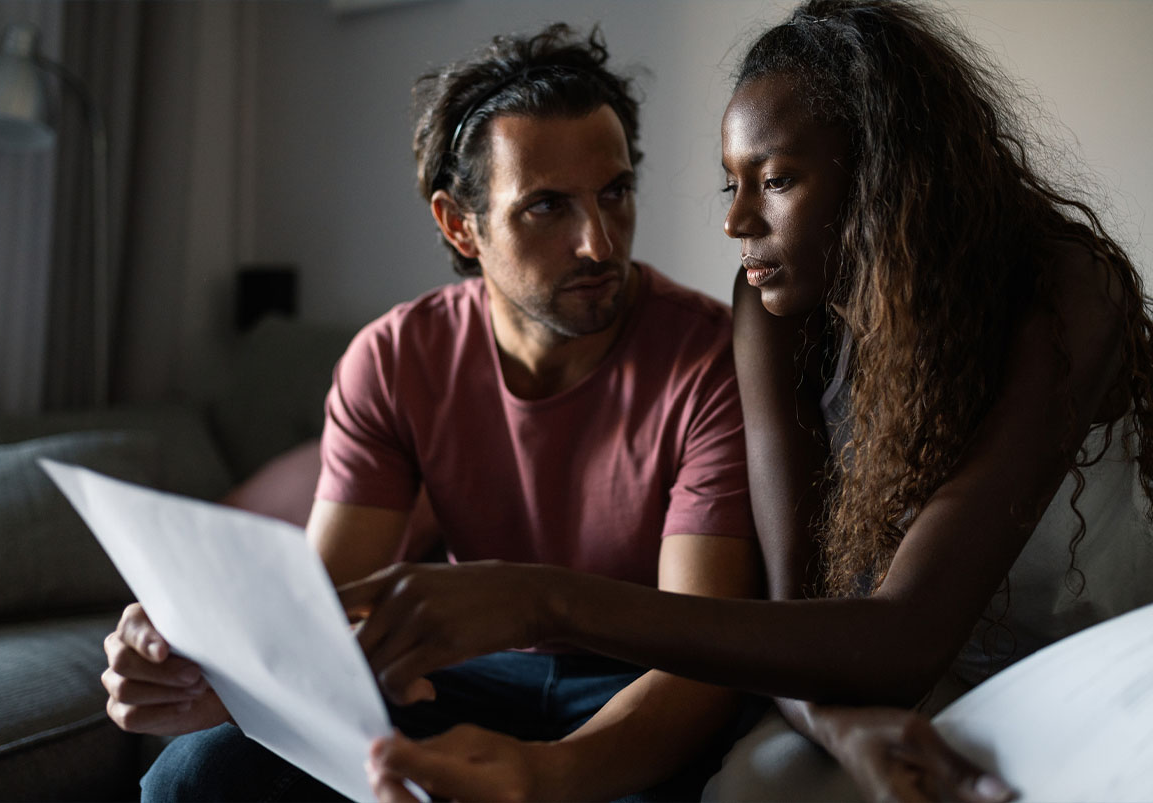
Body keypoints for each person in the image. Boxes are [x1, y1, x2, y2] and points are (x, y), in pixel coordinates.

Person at [341, 2, 1153, 801]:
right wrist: (841, 726)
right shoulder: (771, 314)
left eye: (775, 180)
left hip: (1090, 658)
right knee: (747, 789)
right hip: (876, 678)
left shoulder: (1069, 291)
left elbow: (909, 629)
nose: (734, 219)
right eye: (732, 182)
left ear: (884, 176)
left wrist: (543, 598)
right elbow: (789, 610)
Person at [101, 22, 761, 802]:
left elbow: (699, 659)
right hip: (466, 673)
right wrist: (199, 660)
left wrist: (543, 777)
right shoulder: (393, 359)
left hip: (635, 681)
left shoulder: (711, 359)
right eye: (546, 206)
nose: (597, 242)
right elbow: (325, 609)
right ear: (459, 224)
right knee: (193, 776)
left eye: (614, 192)